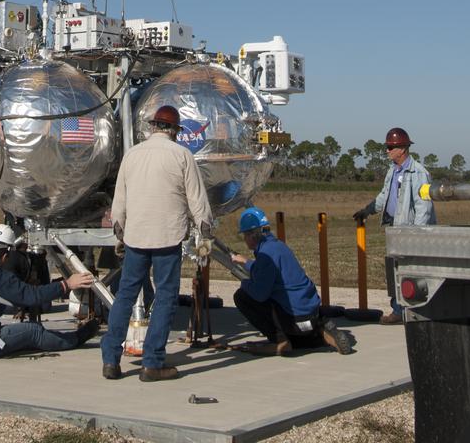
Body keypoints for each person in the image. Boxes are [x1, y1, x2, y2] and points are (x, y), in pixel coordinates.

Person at [100, 104, 213, 383]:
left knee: (125, 296)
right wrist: (205, 238)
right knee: (164, 297)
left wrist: (120, 231)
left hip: (136, 237)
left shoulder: (132, 155)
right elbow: (198, 202)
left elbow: (120, 202)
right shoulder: (182, 155)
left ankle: (110, 361)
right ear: (174, 130)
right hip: (167, 236)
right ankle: (152, 363)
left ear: (152, 127)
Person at [0, 224, 98, 359]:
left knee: (17, 334)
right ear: (5, 256)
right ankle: (76, 338)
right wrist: (67, 284)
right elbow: (32, 297)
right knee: (33, 331)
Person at [230, 207, 354, 356]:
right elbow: (266, 268)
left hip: (293, 319)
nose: (244, 239)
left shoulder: (264, 256)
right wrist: (246, 262)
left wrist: (244, 282)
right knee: (292, 308)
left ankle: (280, 341)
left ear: (251, 235)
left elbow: (260, 294)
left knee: (242, 296)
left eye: (244, 235)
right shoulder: (278, 247)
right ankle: (322, 333)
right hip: (311, 313)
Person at [353, 126, 435, 325]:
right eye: (387, 147)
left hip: (410, 232)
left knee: (411, 272)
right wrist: (368, 210)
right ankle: (398, 310)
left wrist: (416, 234)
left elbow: (424, 207)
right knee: (394, 272)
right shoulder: (393, 170)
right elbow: (384, 196)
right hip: (395, 230)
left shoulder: (419, 173)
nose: (387, 151)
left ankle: (412, 311)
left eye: (391, 147)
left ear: (403, 149)